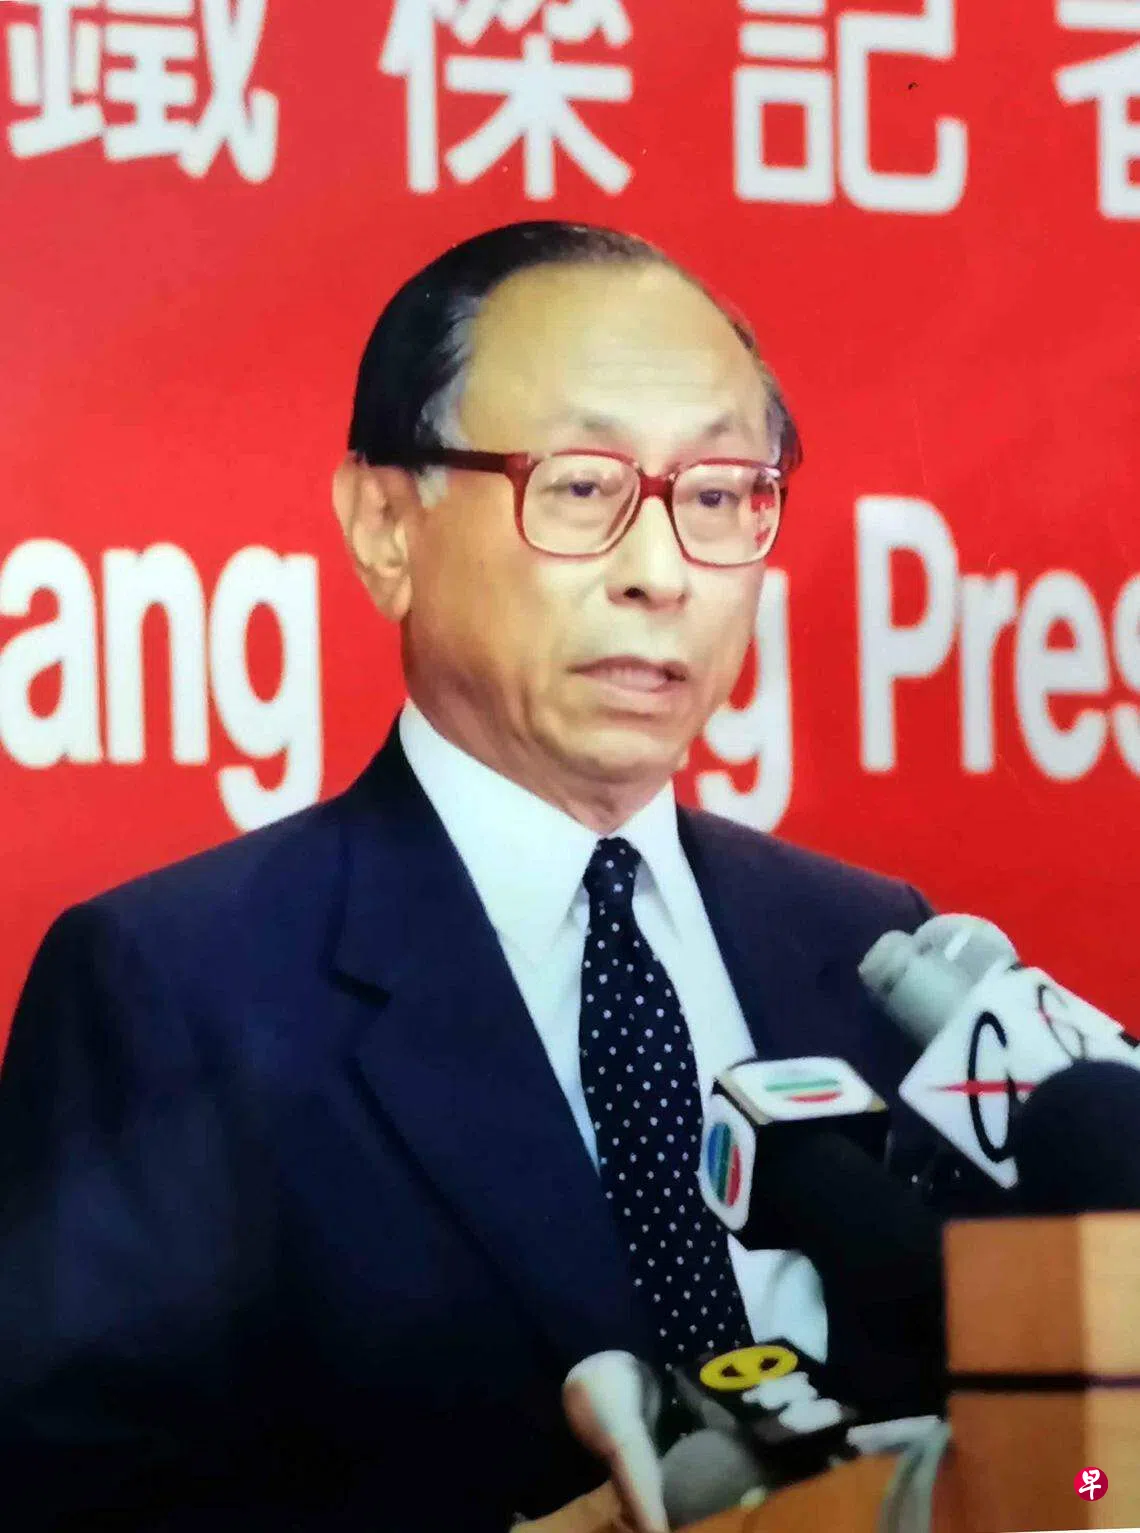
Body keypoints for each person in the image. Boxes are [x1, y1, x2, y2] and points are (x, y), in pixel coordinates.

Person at [0, 221, 938, 1532]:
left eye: (722, 496)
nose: (661, 572)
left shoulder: (879, 950)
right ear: (386, 528)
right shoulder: (169, 989)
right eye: (581, 487)